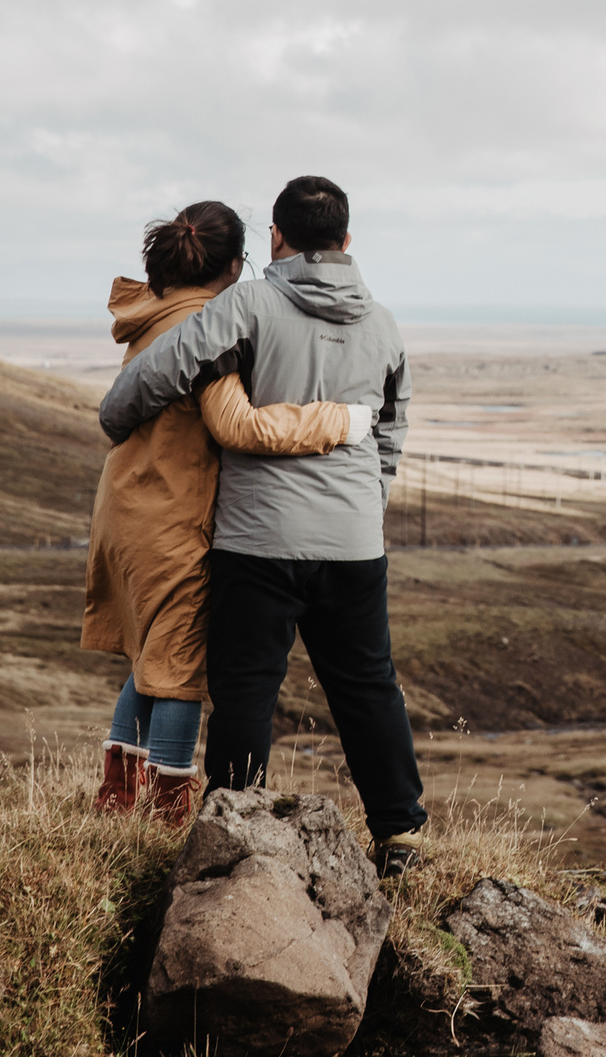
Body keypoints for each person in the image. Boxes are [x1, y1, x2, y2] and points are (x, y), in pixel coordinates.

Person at [96, 175, 425, 870]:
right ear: (346, 240)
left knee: (246, 688)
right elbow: (390, 431)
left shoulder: (247, 303)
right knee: (368, 685)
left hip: (257, 541)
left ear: (276, 237)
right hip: (353, 541)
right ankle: (399, 834)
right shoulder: (384, 324)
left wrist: (116, 414)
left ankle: (236, 829)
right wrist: (366, 503)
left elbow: (165, 368)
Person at [83, 200, 358, 826]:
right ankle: (167, 812)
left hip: (129, 506)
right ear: (235, 264)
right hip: (173, 517)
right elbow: (237, 425)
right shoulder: (206, 330)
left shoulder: (154, 315)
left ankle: (117, 796)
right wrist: (338, 419)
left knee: (152, 656)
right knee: (180, 665)